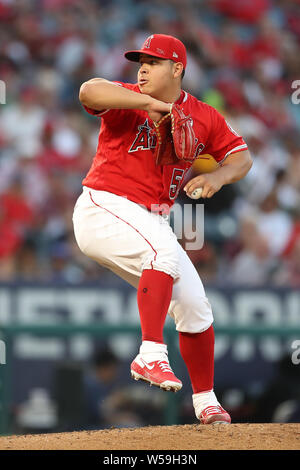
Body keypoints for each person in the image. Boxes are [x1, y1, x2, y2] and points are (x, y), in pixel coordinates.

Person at [73, 34, 252, 425]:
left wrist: (218, 177)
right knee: (163, 254)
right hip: (103, 205)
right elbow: (89, 90)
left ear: (177, 69)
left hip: (149, 218)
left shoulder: (204, 115)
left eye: (153, 62)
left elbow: (242, 157)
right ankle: (151, 354)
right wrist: (149, 103)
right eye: (141, 61)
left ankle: (206, 401)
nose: (142, 68)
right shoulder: (128, 98)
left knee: (194, 305)